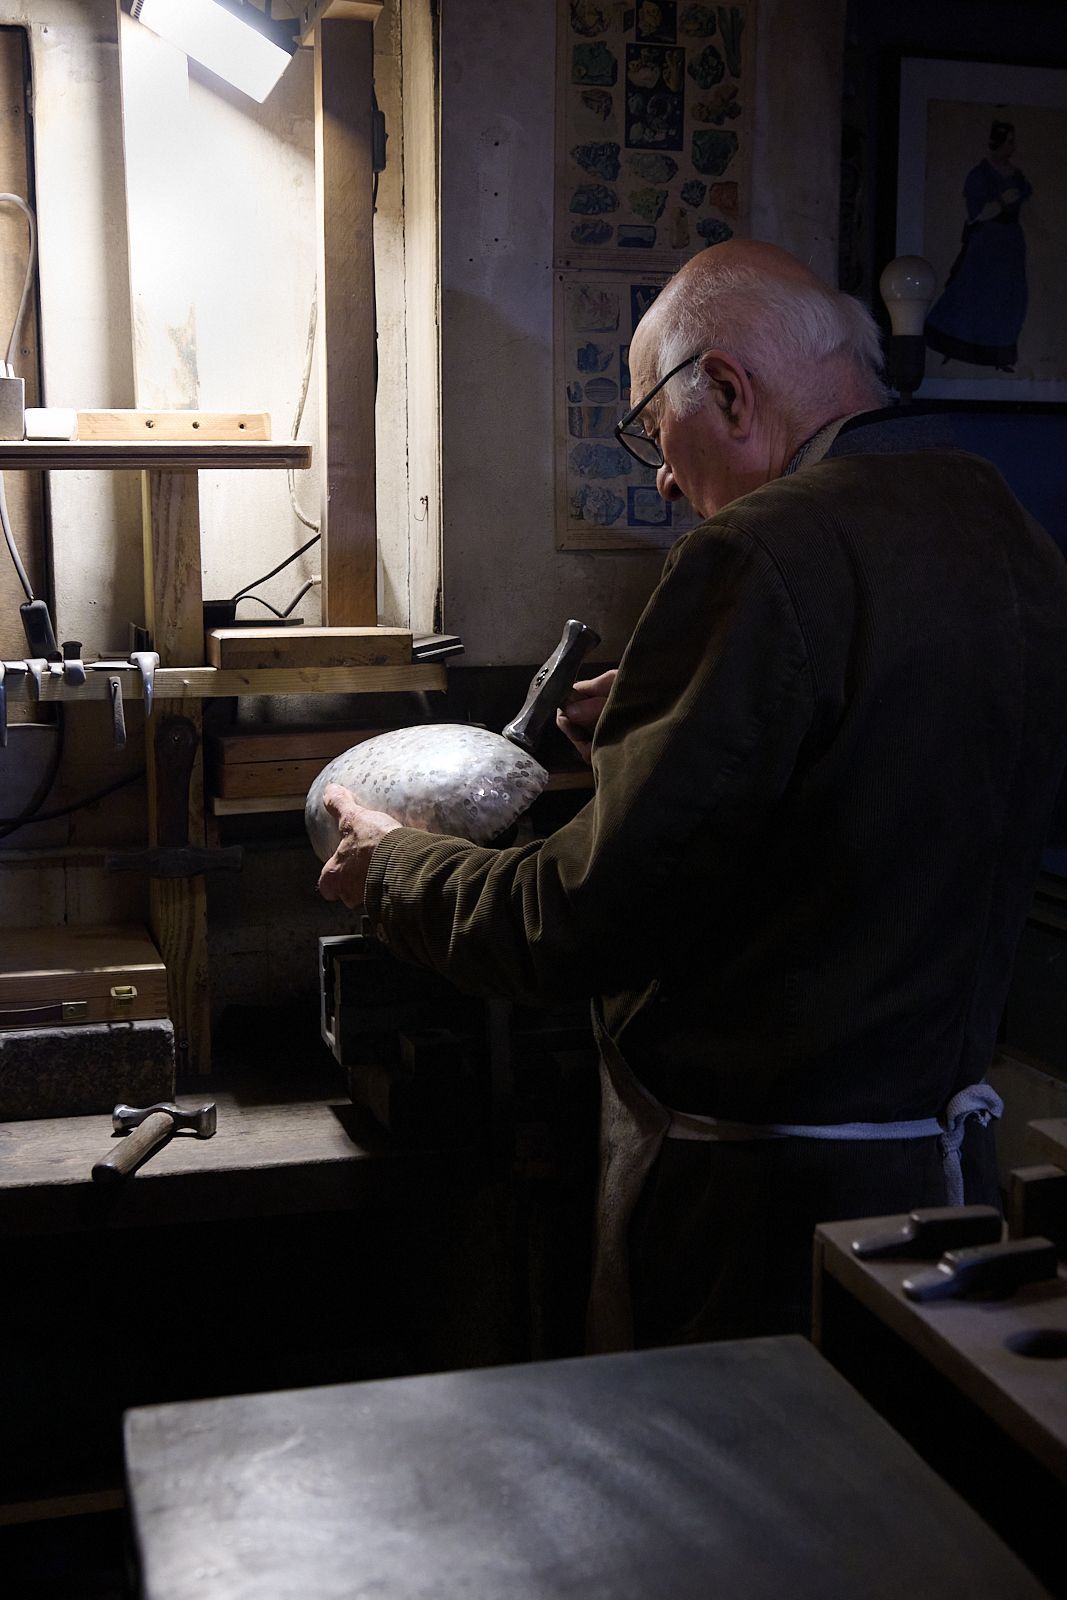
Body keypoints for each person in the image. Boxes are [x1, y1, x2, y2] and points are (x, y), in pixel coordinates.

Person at [318, 240, 1067, 1351]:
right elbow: (867, 760)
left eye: (650, 431)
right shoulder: (997, 526)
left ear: (723, 388)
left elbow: (579, 921)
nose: (662, 479)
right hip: (934, 1174)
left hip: (753, 1208)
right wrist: (704, 691)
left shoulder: (760, 551)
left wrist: (398, 868)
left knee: (718, 1508)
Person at [925, 119, 1033, 372]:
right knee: (973, 292)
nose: (1013, 147)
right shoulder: (980, 175)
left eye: (1013, 141)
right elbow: (974, 215)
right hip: (987, 243)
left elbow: (1022, 197)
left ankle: (998, 353)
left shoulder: (1016, 176)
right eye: (1009, 142)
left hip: (1011, 244)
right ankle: (954, 344)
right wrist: (1000, 202)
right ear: (998, 142)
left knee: (1010, 297)